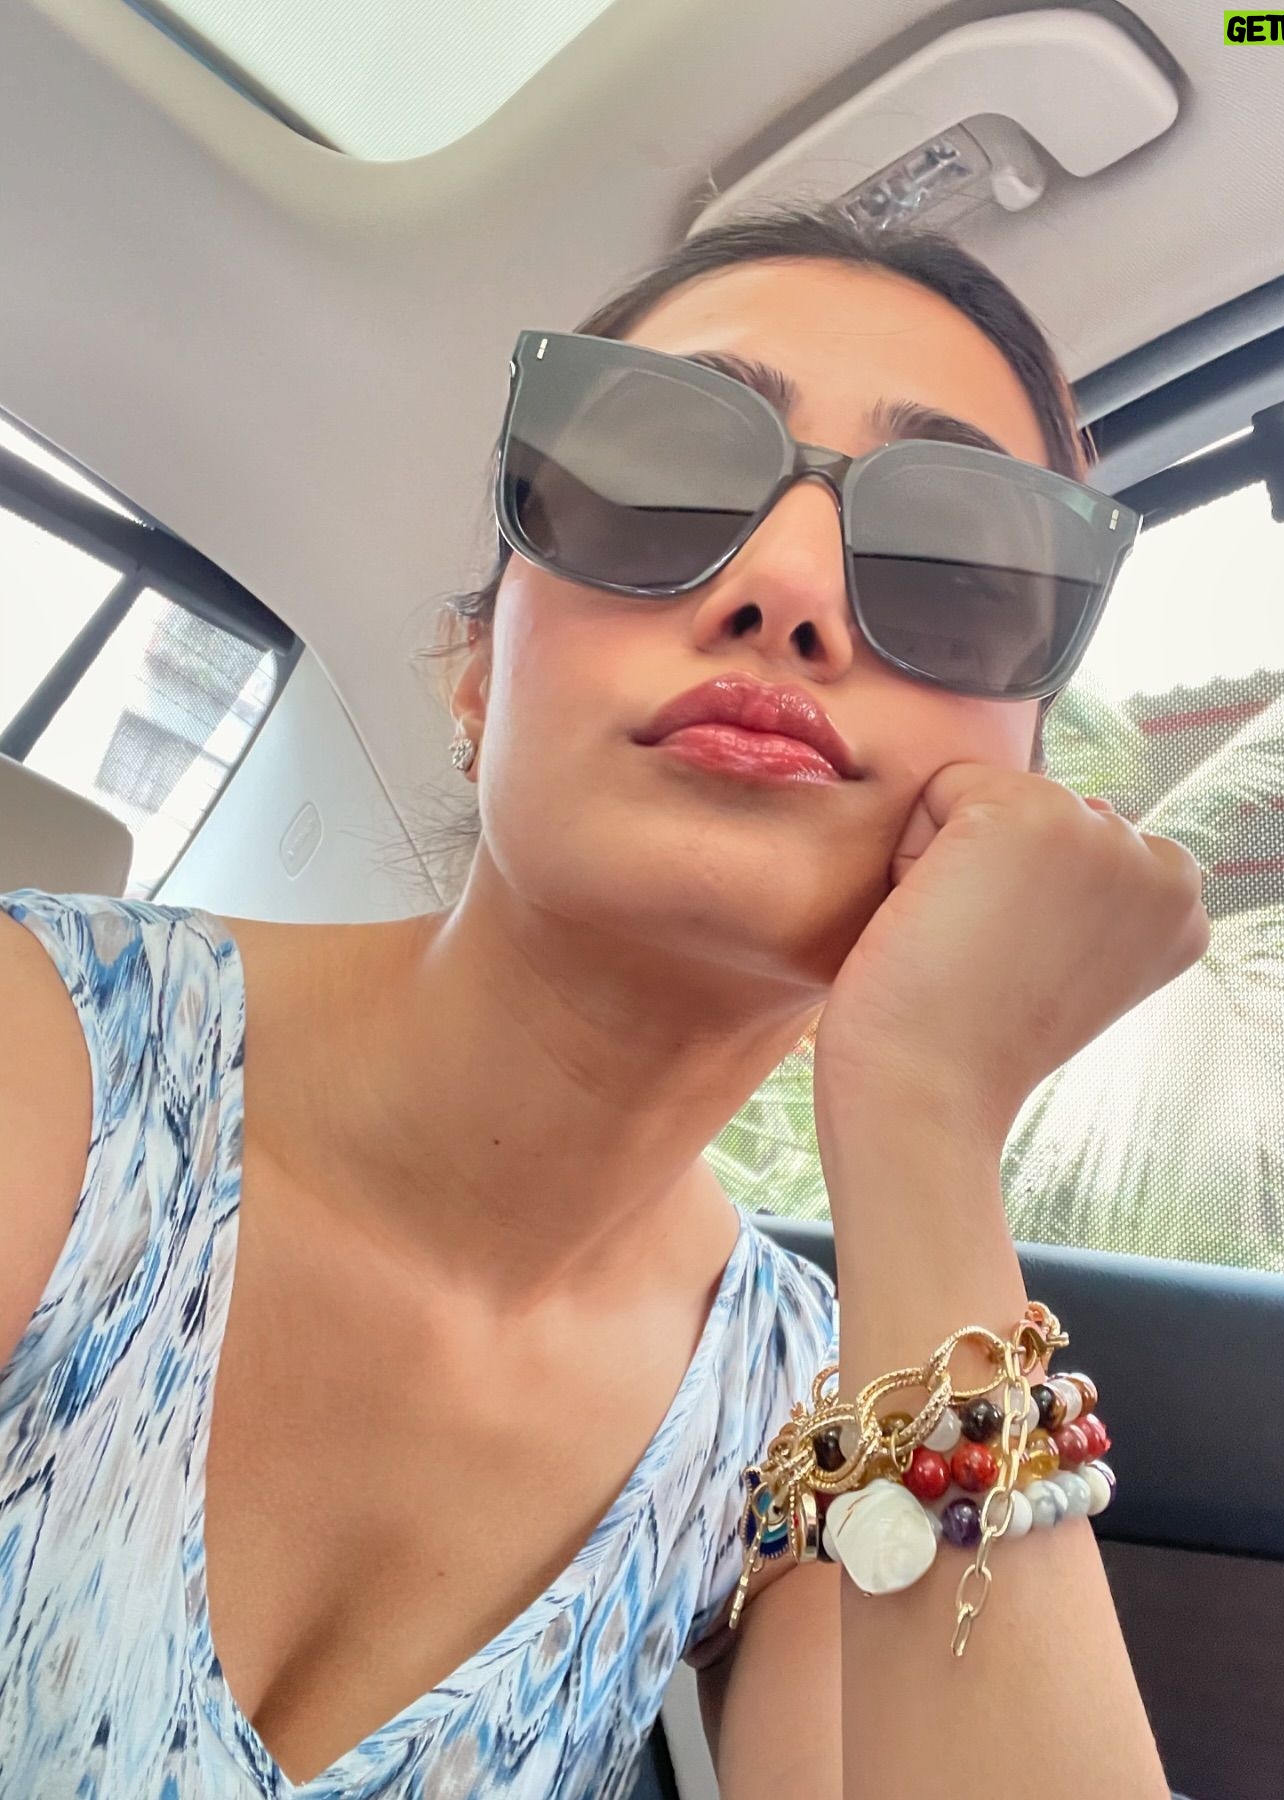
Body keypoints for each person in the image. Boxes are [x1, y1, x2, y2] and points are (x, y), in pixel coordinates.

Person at [0, 203, 1208, 1799]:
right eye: (658, 474)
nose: (786, 588)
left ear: (1009, 798)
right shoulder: (47, 1053)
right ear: (476, 673)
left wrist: (928, 1118)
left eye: (954, 567)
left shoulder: (805, 1420)